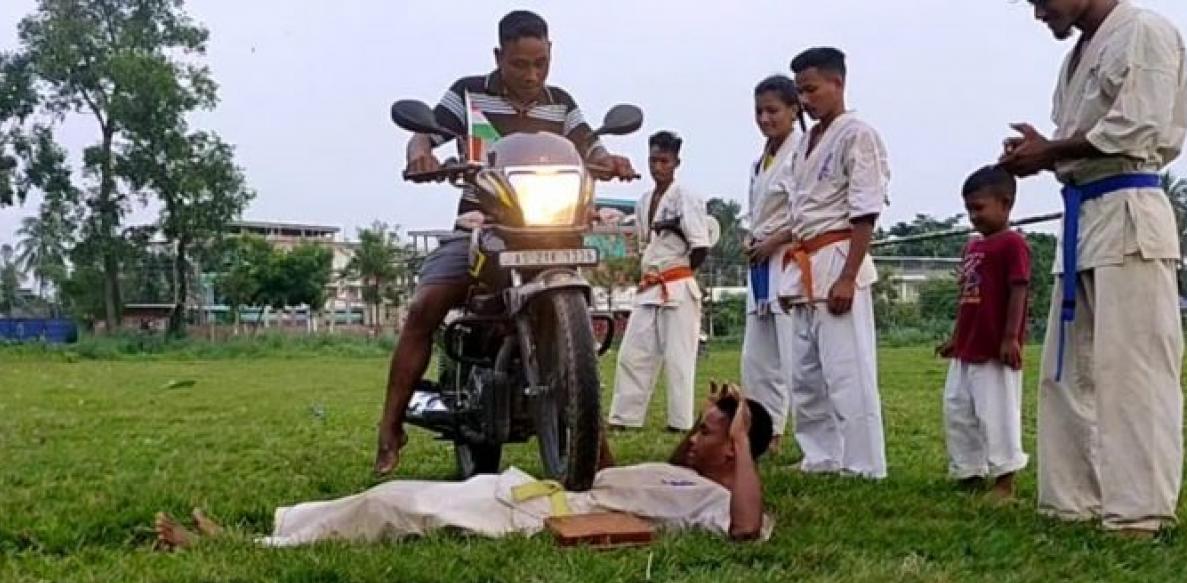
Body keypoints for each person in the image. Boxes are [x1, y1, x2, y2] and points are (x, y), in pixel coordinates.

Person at [375, 10, 635, 474]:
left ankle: (593, 445)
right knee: (426, 306)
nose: (532, 74)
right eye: (520, 64)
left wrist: (608, 157)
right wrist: (420, 156)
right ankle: (390, 427)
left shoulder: (562, 104)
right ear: (499, 56)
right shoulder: (468, 94)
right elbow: (426, 133)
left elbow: (589, 145)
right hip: (482, 226)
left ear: (551, 54)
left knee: (579, 305)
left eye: (541, 62)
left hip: (552, 229)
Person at [999, 0, 1187, 536]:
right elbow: (1081, 140)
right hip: (1083, 214)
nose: (1039, 13)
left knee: (1134, 371)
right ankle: (1072, 500)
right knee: (1066, 370)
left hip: (1130, 209)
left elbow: (1138, 126)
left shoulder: (1144, 31)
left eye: (1042, 0)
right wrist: (1044, 151)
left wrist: (1049, 151)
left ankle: (1140, 510)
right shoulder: (1079, 53)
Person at [154, 384, 775, 549]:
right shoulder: (682, 477)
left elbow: (746, 533)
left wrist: (743, 439)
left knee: (395, 507)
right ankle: (279, 529)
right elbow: (603, 469)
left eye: (708, 432)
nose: (692, 440)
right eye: (697, 427)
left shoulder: (718, 503)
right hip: (525, 491)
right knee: (394, 495)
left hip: (540, 516)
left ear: (737, 448)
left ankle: (250, 547)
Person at [762, 47, 889, 479]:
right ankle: (821, 455)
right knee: (806, 373)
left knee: (848, 370)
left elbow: (865, 209)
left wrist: (849, 276)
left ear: (838, 83)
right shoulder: (808, 142)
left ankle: (864, 463)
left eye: (812, 89)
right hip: (804, 261)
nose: (806, 99)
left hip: (837, 256)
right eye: (800, 92)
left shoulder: (857, 133)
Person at [936, 166, 1031, 500]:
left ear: (1005, 204)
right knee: (958, 408)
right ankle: (968, 470)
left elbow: (1018, 290)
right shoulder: (973, 247)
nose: (973, 216)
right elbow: (966, 299)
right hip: (968, 346)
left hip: (994, 349)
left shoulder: (1013, 244)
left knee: (997, 413)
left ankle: (1004, 479)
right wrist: (955, 338)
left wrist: (1010, 338)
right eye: (968, 210)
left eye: (979, 208)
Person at [607, 131, 711, 432]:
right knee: (633, 352)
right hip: (650, 285)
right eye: (653, 160)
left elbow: (701, 246)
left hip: (677, 282)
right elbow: (644, 243)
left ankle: (679, 422)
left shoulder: (685, 196)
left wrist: (681, 274)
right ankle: (624, 417)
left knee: (679, 357)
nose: (657, 167)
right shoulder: (643, 201)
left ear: (676, 162)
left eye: (664, 161)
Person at [741, 75, 804, 453]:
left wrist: (773, 241)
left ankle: (815, 441)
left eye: (773, 110)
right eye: (759, 111)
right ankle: (768, 435)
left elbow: (806, 211)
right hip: (761, 265)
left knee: (793, 352)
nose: (765, 118)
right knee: (757, 358)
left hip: (789, 259)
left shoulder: (801, 153)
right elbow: (759, 212)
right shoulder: (760, 160)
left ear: (794, 111)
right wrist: (752, 238)